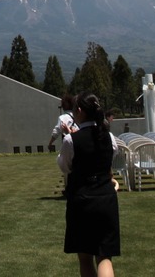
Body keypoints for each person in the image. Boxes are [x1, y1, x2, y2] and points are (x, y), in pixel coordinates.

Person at [58, 92, 120, 277]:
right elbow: (109, 160)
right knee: (104, 257)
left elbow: (65, 167)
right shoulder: (109, 137)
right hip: (106, 199)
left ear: (78, 111)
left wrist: (72, 138)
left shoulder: (71, 140)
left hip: (82, 200)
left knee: (85, 258)